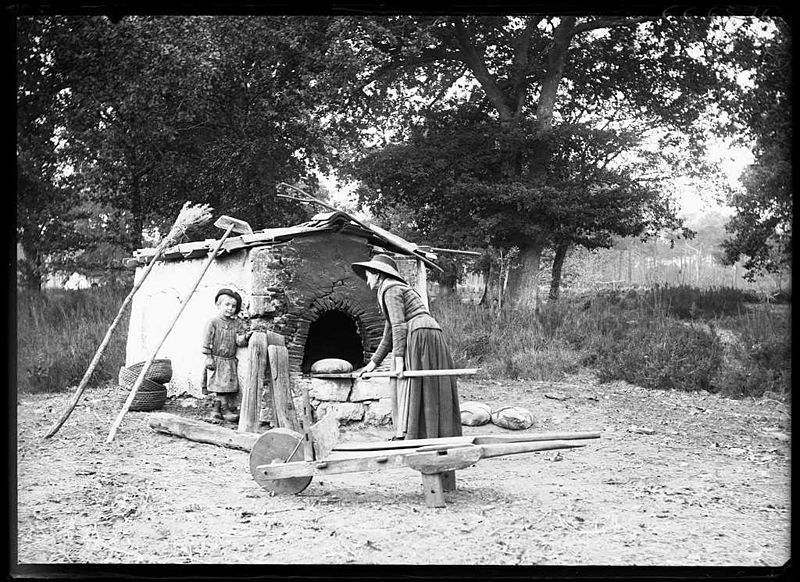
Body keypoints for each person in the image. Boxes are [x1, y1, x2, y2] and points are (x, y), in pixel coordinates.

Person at [352, 254, 462, 441]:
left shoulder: (391, 290)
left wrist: (399, 361)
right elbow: (388, 335)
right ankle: (421, 431)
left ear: (378, 274)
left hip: (420, 335)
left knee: (411, 381)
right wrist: (372, 364)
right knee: (423, 383)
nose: (367, 277)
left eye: (369, 273)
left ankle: (418, 433)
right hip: (429, 332)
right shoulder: (392, 290)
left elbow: (398, 327)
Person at [201, 288, 252, 423]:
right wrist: (208, 357)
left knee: (225, 387)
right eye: (227, 305)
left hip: (229, 361)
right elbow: (207, 341)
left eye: (233, 306)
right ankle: (225, 410)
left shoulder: (237, 324)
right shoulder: (213, 322)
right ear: (218, 305)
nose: (230, 308)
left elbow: (239, 342)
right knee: (219, 387)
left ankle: (216, 410)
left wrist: (246, 337)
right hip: (216, 359)